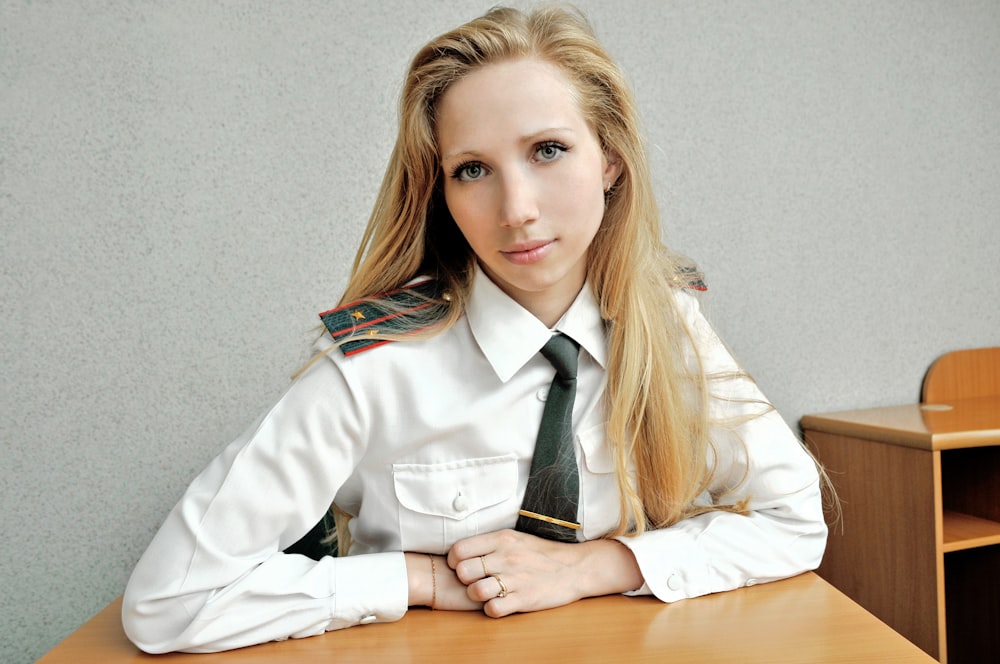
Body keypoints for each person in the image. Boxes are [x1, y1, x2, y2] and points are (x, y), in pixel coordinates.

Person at [122, 4, 827, 654]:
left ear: (610, 160)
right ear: (442, 192)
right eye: (472, 169)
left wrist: (594, 568)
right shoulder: (378, 363)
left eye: (548, 150)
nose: (515, 208)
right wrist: (420, 581)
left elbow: (795, 519)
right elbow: (167, 603)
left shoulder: (666, 324)